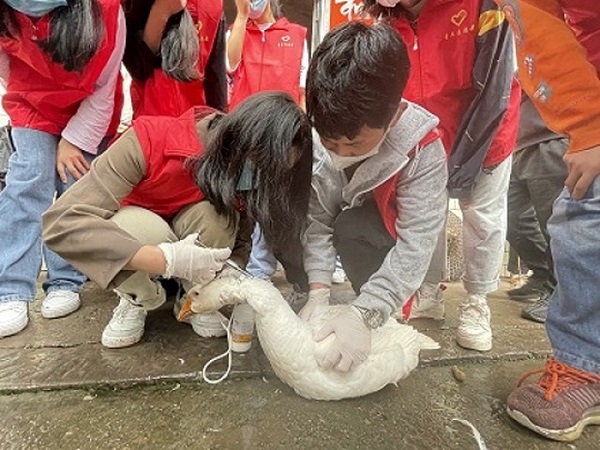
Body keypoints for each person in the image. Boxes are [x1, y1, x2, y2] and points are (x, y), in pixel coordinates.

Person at [42, 92, 313, 348]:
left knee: (219, 217)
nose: (262, 178)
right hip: (141, 238)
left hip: (192, 245)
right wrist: (168, 260)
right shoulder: (148, 140)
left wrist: (233, 265)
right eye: (263, 167)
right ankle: (137, 297)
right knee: (134, 227)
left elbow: (242, 231)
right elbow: (61, 223)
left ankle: (194, 296)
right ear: (241, 140)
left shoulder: (246, 168)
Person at [280, 21, 448, 373]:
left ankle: (380, 308)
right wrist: (319, 292)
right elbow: (318, 220)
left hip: (385, 242)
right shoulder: (322, 132)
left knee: (355, 224)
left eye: (354, 144)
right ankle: (357, 304)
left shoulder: (424, 150)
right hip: (351, 232)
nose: (340, 153)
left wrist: (368, 312)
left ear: (395, 114)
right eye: (330, 142)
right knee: (299, 207)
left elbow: (416, 244)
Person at [365, 0, 521, 352]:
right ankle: (428, 291)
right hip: (426, 137)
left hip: (486, 129)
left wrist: (471, 153)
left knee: (481, 215)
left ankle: (477, 301)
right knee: (424, 214)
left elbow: (494, 82)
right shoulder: (385, 22)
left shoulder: (480, 5)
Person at [494, 0, 600, 442]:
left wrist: (590, 129)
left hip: (571, 122)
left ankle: (582, 365)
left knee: (581, 215)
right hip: (564, 112)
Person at [0, 0, 125, 338]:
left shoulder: (106, 10)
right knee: (29, 179)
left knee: (73, 186)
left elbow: (105, 87)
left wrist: (73, 141)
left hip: (88, 105)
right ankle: (11, 290)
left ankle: (66, 280)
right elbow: (6, 68)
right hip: (32, 104)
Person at [227, 0, 309, 281]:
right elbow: (231, 64)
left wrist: (302, 135)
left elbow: (302, 90)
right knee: (246, 197)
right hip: (245, 132)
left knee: (272, 199)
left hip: (281, 134)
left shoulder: (296, 35)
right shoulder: (236, 31)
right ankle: (241, 258)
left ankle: (260, 267)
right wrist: (241, 17)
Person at [506, 93, 567, 323]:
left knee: (555, 225)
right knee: (509, 218)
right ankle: (542, 274)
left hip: (554, 137)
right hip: (520, 143)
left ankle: (558, 294)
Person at [122, 0, 227, 117]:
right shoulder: (135, 5)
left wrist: (221, 122)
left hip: (196, 118)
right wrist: (161, 12)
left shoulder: (212, 5)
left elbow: (216, 76)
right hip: (151, 118)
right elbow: (138, 68)